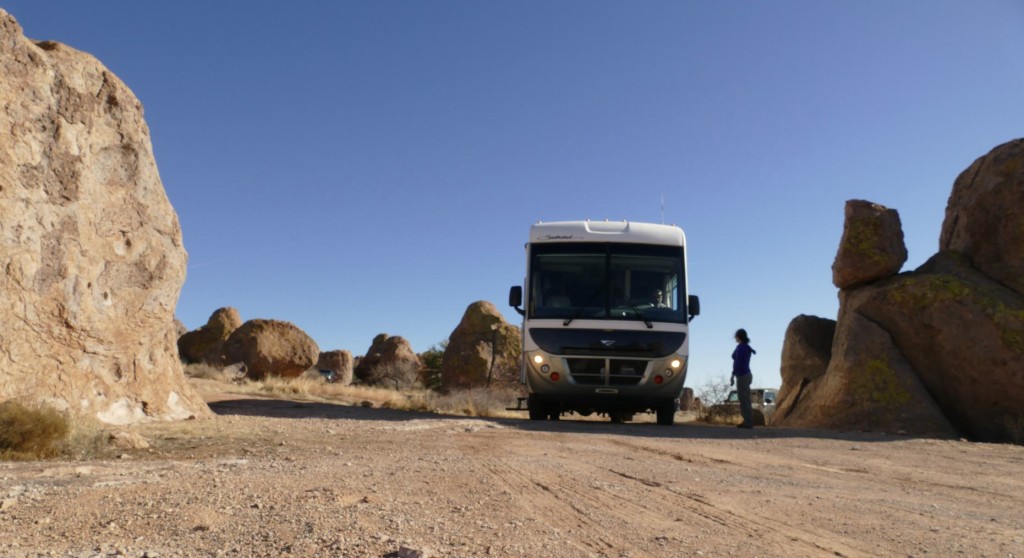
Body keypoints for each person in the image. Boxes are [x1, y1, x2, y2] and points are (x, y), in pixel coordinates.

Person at [731, 328, 757, 429]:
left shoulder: (741, 348)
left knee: (744, 399)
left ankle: (748, 422)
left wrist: (733, 375)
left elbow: (737, 363)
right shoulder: (746, 347)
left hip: (742, 375)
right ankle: (747, 420)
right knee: (746, 399)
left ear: (738, 337)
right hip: (747, 374)